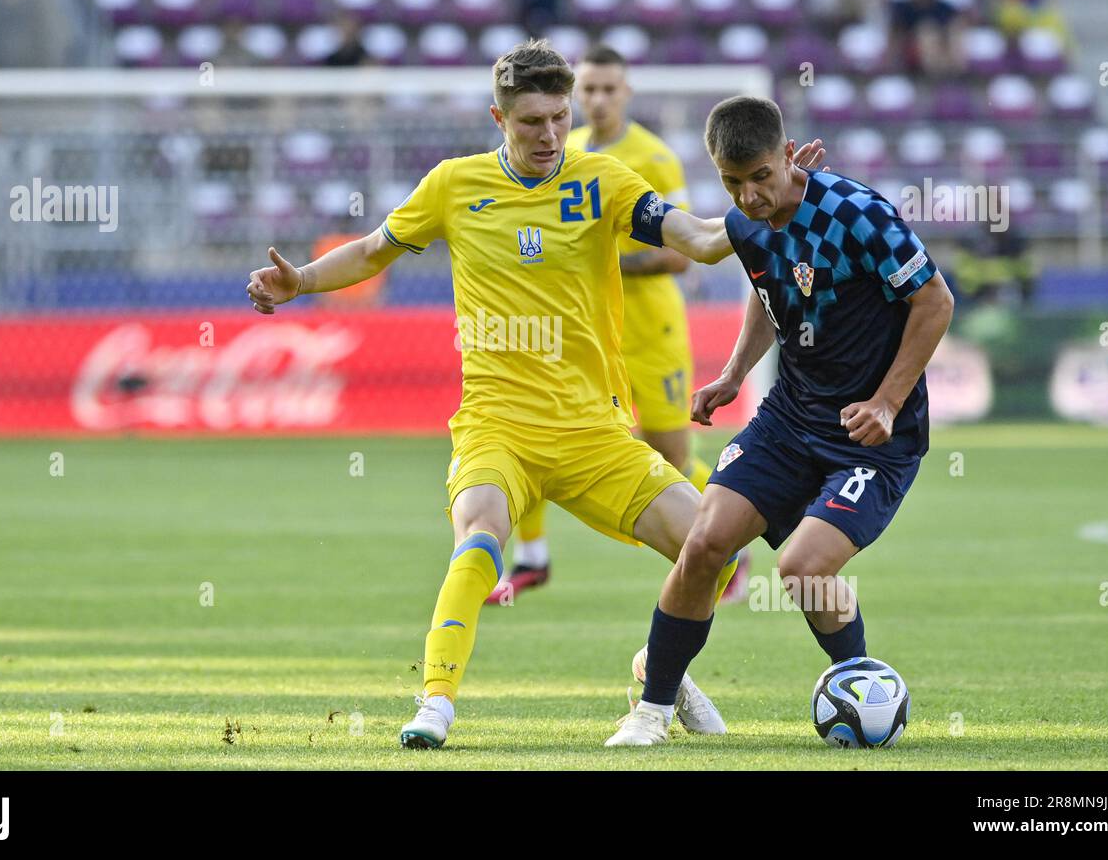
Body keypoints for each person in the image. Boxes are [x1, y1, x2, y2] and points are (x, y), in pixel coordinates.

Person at [247, 40, 826, 749]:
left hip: (594, 433)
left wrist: (778, 202)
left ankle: (657, 670)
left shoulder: (601, 180)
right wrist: (300, 281)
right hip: (498, 427)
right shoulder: (454, 186)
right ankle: (435, 704)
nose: (550, 135)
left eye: (559, 117)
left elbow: (701, 241)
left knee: (718, 548)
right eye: (531, 122)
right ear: (499, 117)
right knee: (479, 536)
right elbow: (372, 250)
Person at [607, 96, 953, 747]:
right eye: (733, 183)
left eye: (762, 176)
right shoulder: (746, 223)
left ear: (788, 154)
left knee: (803, 567)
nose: (750, 194)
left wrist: (885, 401)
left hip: (869, 439)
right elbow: (772, 297)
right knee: (706, 542)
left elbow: (934, 301)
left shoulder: (858, 213)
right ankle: (652, 708)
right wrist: (734, 375)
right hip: (788, 421)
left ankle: (858, 683)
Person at [490, 43, 751, 606]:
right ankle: (531, 554)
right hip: (587, 333)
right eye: (589, 89)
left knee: (669, 457)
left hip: (650, 327)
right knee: (528, 427)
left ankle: (731, 539)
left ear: (626, 92)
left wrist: (599, 261)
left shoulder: (651, 156)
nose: (598, 99)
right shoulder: (563, 150)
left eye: (610, 88)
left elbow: (680, 254)